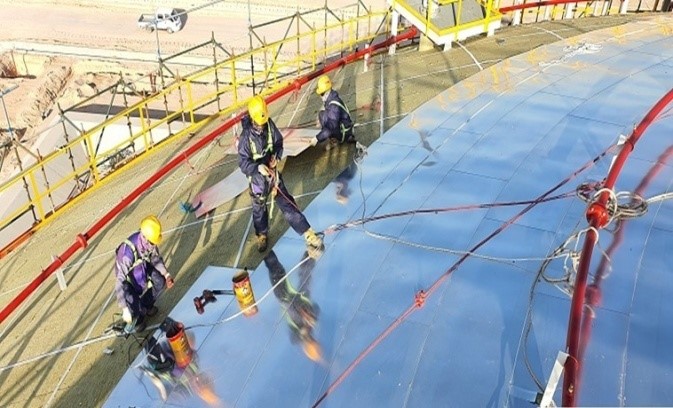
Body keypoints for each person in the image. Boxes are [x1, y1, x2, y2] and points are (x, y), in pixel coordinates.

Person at [238, 95, 324, 253]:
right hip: (258, 181)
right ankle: (262, 234)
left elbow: (278, 143)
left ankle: (307, 233)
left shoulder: (269, 125)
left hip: (273, 177)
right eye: (259, 122)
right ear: (252, 118)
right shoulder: (246, 138)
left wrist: (276, 157)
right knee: (259, 209)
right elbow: (243, 163)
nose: (262, 125)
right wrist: (258, 167)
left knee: (287, 203)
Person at [114, 215, 174, 332]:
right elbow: (119, 281)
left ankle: (146, 305)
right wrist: (124, 308)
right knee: (132, 299)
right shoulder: (127, 253)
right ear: (144, 238)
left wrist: (166, 275)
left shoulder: (149, 243)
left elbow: (155, 259)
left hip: (141, 267)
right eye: (152, 243)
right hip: (128, 279)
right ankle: (138, 317)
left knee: (160, 281)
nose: (154, 245)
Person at [264, 250, 322, 362]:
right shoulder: (311, 324)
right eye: (313, 340)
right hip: (301, 299)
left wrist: (302, 332)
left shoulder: (298, 337)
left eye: (310, 342)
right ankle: (311, 253)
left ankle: (268, 254)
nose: (311, 339)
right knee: (305, 276)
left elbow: (294, 338)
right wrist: (311, 317)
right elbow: (316, 308)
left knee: (277, 272)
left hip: (286, 298)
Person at [311, 75, 356, 150]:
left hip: (345, 133)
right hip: (346, 128)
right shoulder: (332, 97)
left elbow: (330, 127)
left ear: (327, 92)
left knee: (326, 120)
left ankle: (335, 140)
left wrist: (317, 138)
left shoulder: (333, 106)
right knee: (322, 114)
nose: (321, 96)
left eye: (322, 94)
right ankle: (338, 137)